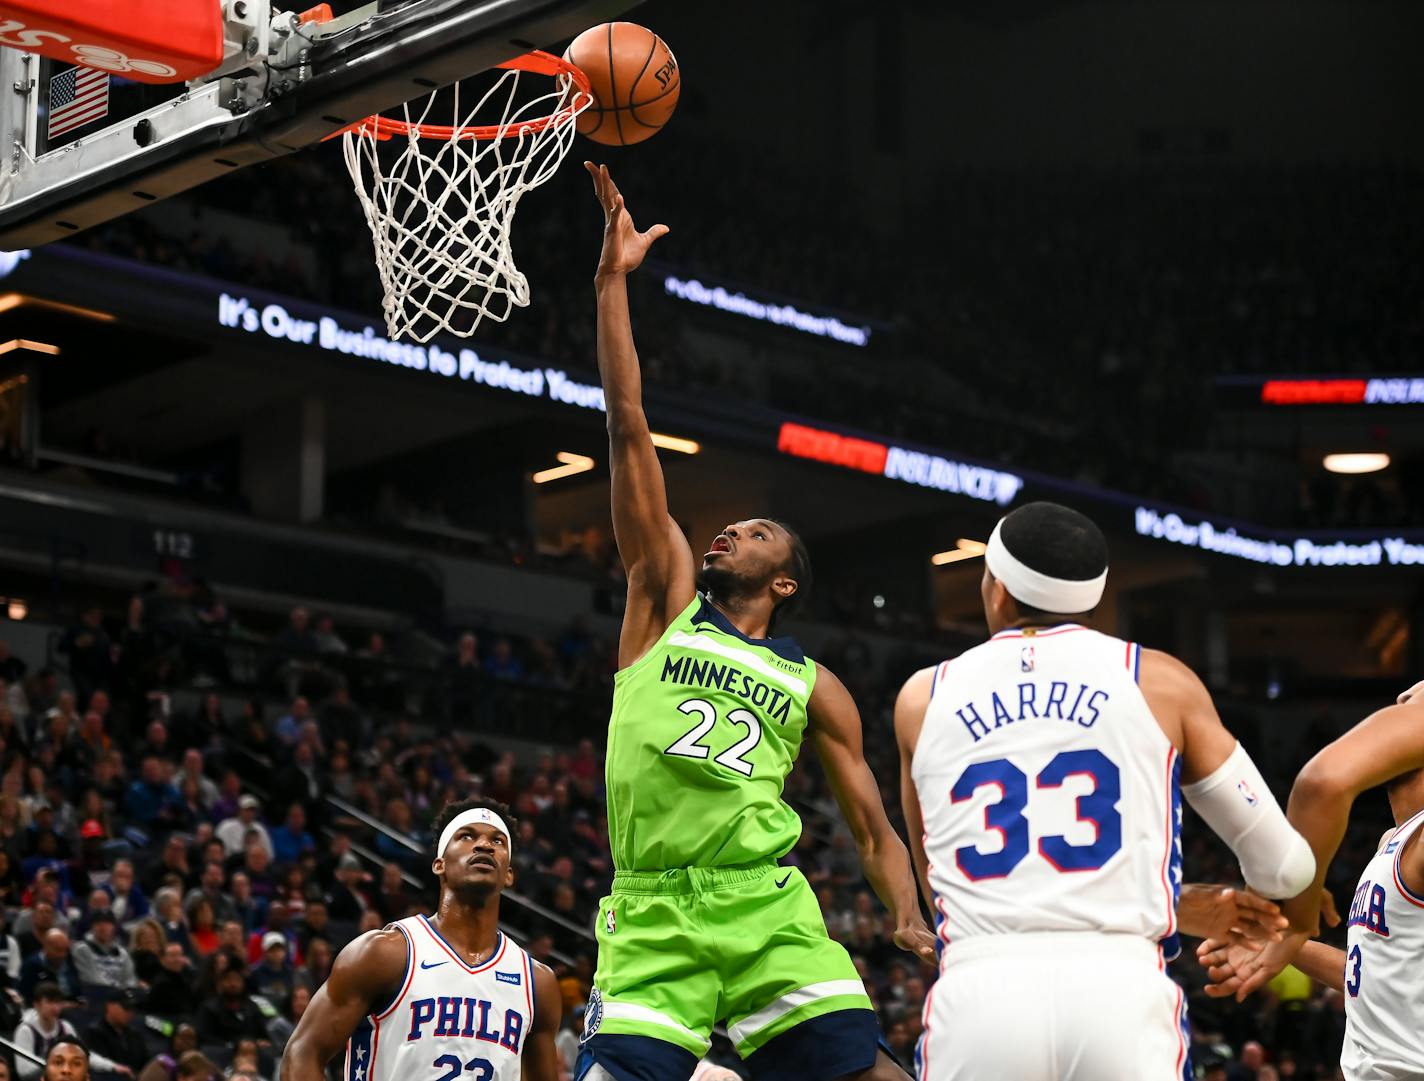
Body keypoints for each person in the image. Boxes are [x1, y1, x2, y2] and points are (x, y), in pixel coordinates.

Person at [576, 163, 934, 1081]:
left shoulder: (815, 683)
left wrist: (904, 908)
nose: (730, 528)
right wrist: (613, 286)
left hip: (766, 906)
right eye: (730, 526)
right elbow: (626, 422)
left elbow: (871, 825)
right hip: (655, 908)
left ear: (785, 583)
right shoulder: (660, 599)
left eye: (758, 531)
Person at [895, 501, 1317, 1080]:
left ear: (994, 588)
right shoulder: (1159, 680)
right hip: (1117, 989)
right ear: (1091, 597)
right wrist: (1224, 906)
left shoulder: (921, 698)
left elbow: (935, 875)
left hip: (981, 991)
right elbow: (1284, 869)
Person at [1199, 678, 1424, 1079]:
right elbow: (1372, 981)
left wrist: (1297, 912)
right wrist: (1282, 935)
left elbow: (1322, 782)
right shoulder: (1394, 841)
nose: (1401, 700)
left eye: (1412, 700)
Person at [280, 798, 560, 1081]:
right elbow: (301, 1054)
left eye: (498, 841)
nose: (485, 845)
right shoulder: (385, 953)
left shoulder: (536, 983)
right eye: (467, 836)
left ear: (509, 874)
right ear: (439, 864)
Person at [12, 984, 129, 1081]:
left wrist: (112, 1066)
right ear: (36, 1004)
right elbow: (25, 1072)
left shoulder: (65, 1027)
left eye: (58, 1003)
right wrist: (55, 1067)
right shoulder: (25, 1030)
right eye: (50, 1002)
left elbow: (83, 1054)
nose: (55, 1008)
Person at [84, 988, 149, 1074]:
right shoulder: (95, 1033)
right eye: (126, 1008)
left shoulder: (135, 1035)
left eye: (132, 1009)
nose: (130, 1013)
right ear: (110, 1006)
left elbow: (145, 1065)